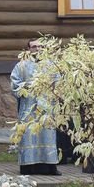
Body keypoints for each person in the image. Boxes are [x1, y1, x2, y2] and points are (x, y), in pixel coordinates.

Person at [11, 39, 60, 175]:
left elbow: (58, 83)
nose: (37, 49)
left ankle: (49, 167)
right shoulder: (21, 66)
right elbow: (15, 84)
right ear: (28, 49)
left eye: (40, 46)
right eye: (34, 47)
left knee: (47, 134)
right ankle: (28, 167)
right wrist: (28, 87)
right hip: (28, 108)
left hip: (46, 108)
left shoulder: (51, 65)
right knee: (28, 135)